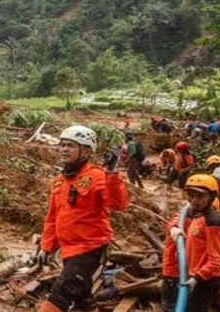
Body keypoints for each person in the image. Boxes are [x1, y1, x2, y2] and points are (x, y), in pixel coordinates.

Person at [36, 125, 129, 312]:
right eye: (62, 145)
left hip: (90, 249)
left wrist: (111, 173)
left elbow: (119, 204)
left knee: (59, 296)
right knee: (82, 298)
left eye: (70, 145)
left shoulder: (97, 176)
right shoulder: (59, 181)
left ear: (86, 151)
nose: (64, 149)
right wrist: (46, 247)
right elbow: (53, 218)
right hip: (69, 250)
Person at [161, 174, 220, 312]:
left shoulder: (212, 222)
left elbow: (216, 259)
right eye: (192, 195)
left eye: (201, 196)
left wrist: (197, 278)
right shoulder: (191, 213)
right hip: (191, 274)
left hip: (204, 280)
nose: (195, 200)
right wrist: (173, 228)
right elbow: (176, 218)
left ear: (211, 197)